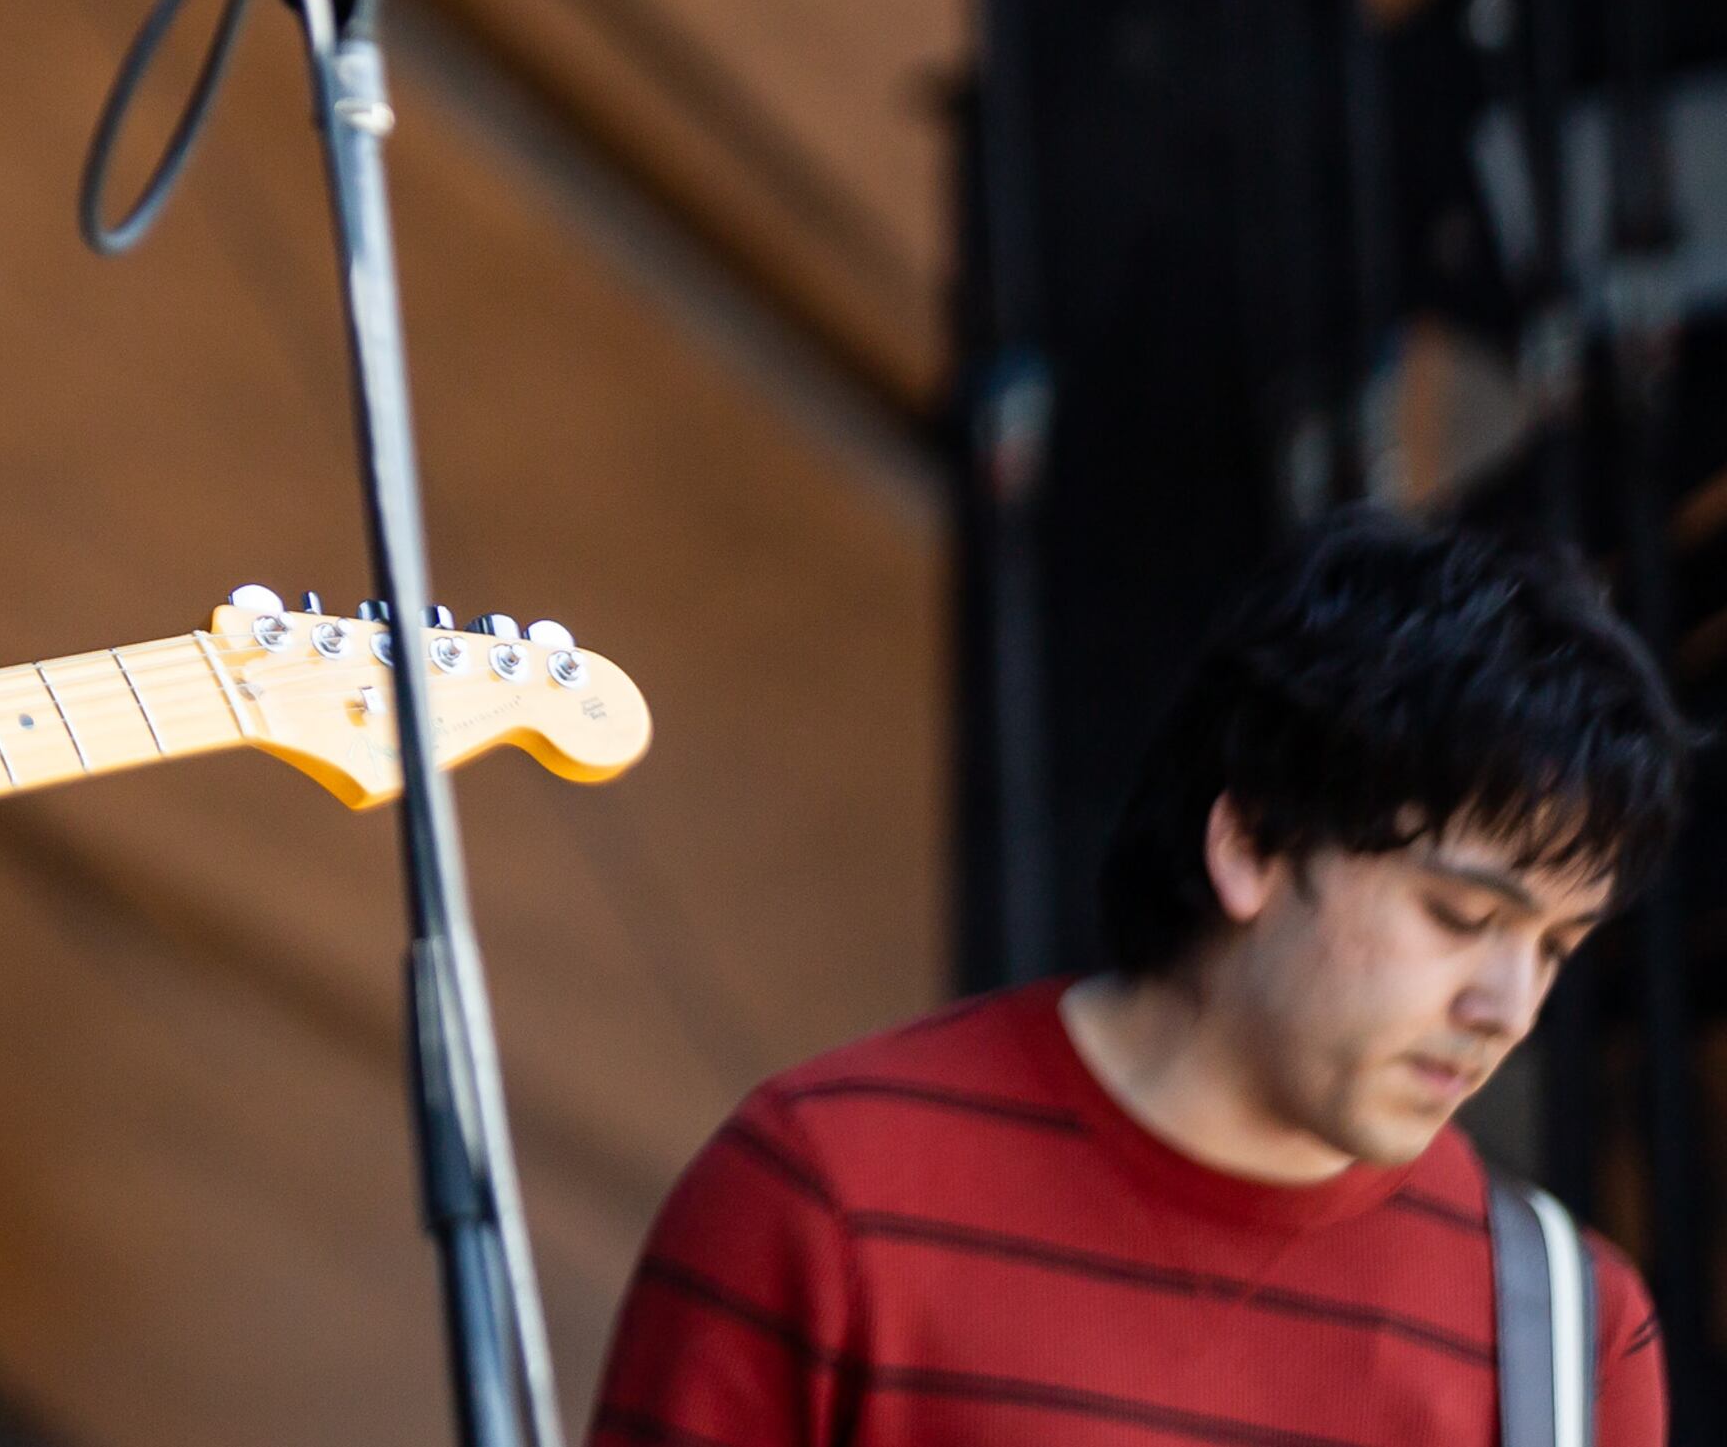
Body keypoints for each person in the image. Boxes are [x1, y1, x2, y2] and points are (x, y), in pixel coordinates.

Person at [592, 509, 1692, 1446]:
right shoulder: (824, 1196)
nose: (1507, 1008)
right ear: (1253, 843)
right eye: (1462, 916)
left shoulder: (1572, 1335)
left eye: (1555, 945)